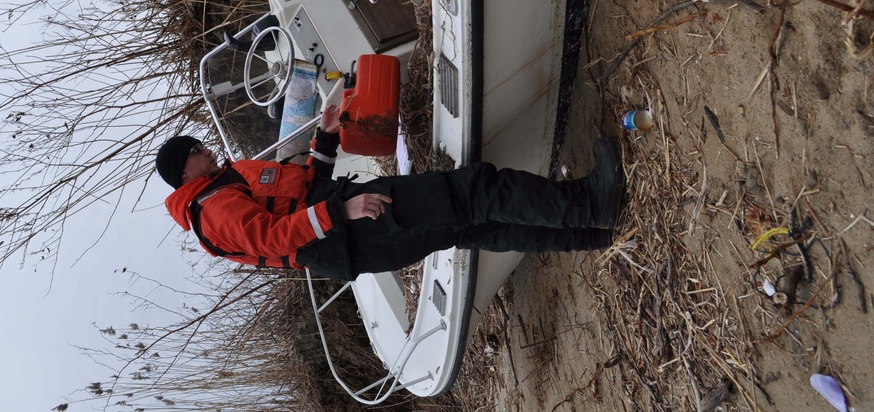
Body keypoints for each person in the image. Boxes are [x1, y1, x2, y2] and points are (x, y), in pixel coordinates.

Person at [156, 103, 625, 281]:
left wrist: (326, 137)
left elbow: (306, 187)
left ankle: (589, 231)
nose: (208, 150)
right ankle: (593, 205)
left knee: (475, 223)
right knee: (471, 193)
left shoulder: (224, 185)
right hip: (353, 232)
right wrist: (344, 209)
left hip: (349, 226)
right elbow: (278, 238)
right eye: (198, 150)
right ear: (186, 170)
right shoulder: (213, 210)